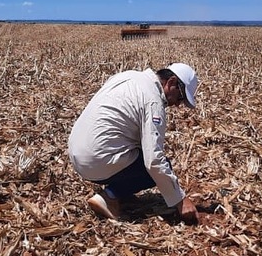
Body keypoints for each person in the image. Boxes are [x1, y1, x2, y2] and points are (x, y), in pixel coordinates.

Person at [68, 63, 200, 224]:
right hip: (96, 160)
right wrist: (180, 200)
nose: (178, 104)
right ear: (171, 83)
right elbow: (154, 161)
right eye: (180, 97)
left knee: (137, 150)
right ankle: (110, 196)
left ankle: (122, 192)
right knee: (159, 166)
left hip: (77, 156)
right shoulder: (153, 101)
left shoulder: (129, 76)